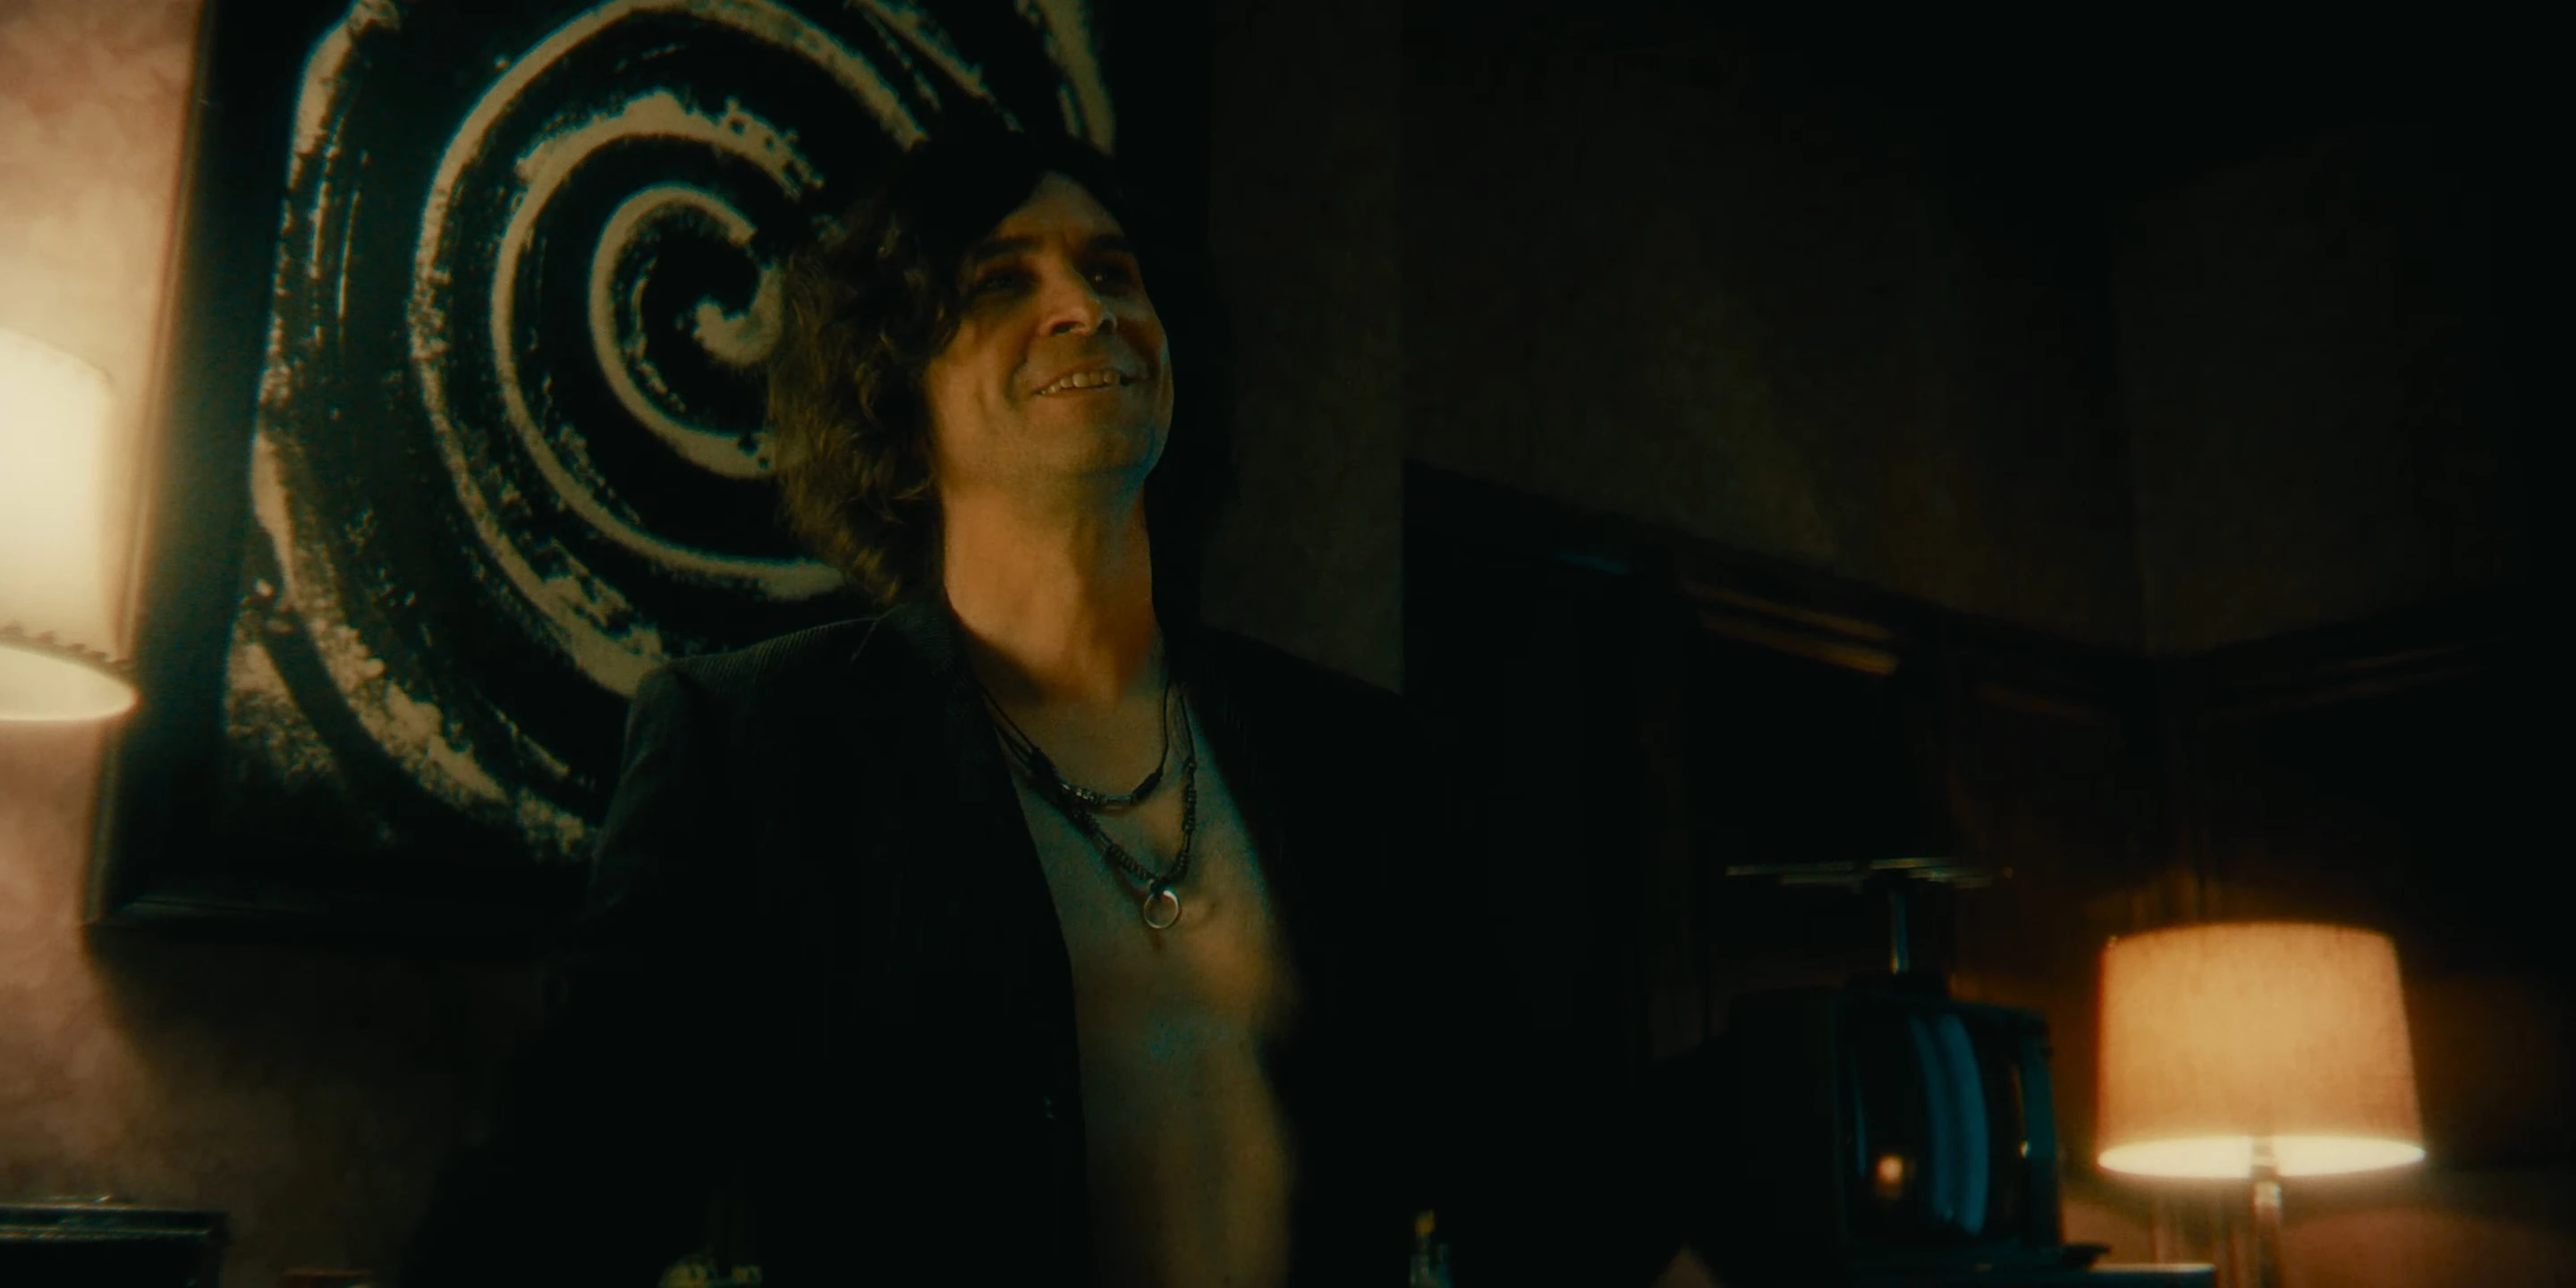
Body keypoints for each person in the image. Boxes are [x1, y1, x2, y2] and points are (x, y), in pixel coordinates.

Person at [403, 127, 1694, 1287]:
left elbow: (1535, 1162)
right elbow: (573, 1174)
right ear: (895, 389)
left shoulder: (1349, 754)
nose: (1086, 308)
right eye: (999, 282)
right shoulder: (759, 744)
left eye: (1112, 271)